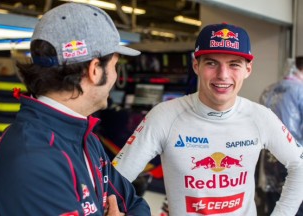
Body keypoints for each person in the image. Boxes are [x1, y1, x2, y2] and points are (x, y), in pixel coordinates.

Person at [113, 23, 303, 216]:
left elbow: (300, 164)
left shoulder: (260, 116)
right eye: (211, 63)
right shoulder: (164, 116)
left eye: (234, 64)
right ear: (196, 65)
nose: (223, 75)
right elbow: (114, 180)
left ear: (248, 69)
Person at [0, 3, 150, 216]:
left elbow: (135, 204)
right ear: (95, 70)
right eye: (114, 66)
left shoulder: (87, 139)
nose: (116, 77)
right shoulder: (33, 158)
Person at [259, 56, 303, 215]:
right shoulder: (300, 90)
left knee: (275, 204)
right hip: (296, 159)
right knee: (294, 204)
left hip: (270, 160)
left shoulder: (271, 89)